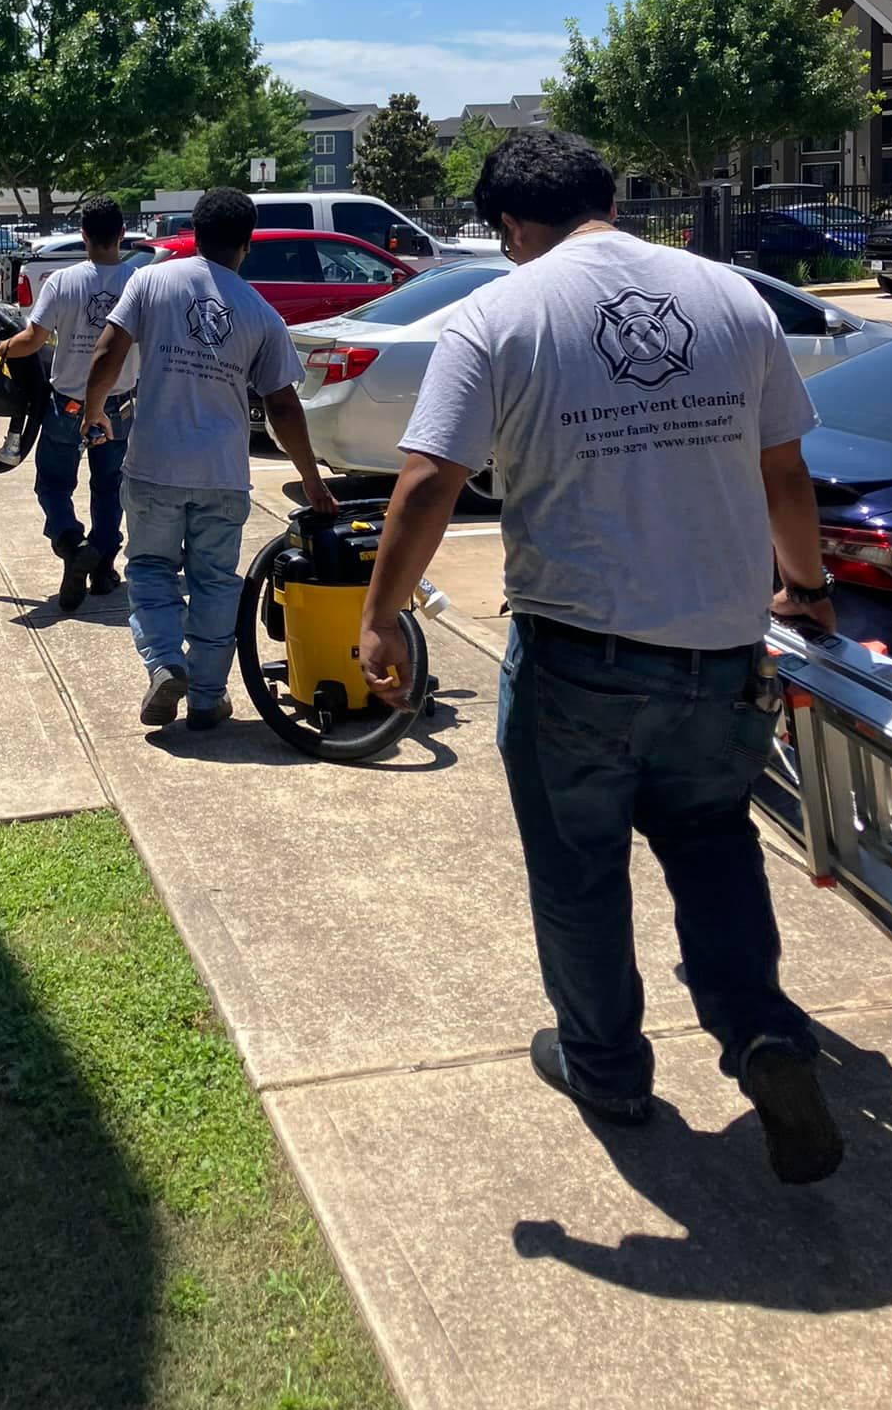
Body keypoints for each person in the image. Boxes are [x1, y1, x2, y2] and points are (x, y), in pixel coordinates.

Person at [358, 128, 843, 1186]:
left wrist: (382, 612)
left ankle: (609, 1067)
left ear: (511, 224)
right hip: (722, 650)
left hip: (578, 653)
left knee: (578, 874)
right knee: (714, 845)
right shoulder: (730, 298)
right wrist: (804, 589)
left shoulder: (497, 312)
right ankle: (764, 1036)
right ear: (603, 196)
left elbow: (430, 485)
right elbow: (785, 474)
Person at [82, 186, 337, 730]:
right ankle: (206, 695)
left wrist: (94, 411)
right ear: (247, 246)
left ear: (195, 233)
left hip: (154, 465)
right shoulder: (261, 314)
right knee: (216, 581)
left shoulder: (151, 279)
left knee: (151, 568)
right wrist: (311, 478)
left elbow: (108, 350)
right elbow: (283, 405)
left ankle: (164, 662)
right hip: (223, 473)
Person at [0, 196, 139, 612]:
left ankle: (71, 542)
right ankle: (103, 566)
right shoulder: (138, 282)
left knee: (55, 482)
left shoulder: (62, 281)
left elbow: (32, 341)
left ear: (83, 236)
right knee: (108, 485)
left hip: (69, 404)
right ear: (121, 235)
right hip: (119, 404)